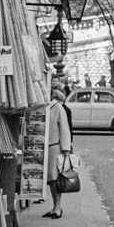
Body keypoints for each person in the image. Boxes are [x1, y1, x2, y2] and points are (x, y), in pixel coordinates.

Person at [44, 88, 72, 219]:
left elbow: (64, 128)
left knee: (55, 178)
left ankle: (57, 207)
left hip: (54, 147)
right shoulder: (42, 107)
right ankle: (55, 206)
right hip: (44, 146)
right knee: (50, 179)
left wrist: (66, 148)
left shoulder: (57, 108)